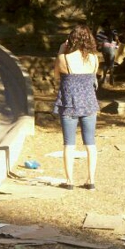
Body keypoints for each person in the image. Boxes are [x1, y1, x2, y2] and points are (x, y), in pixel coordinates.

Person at [53, 24, 100, 191]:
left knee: (69, 144)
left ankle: (69, 181)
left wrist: (61, 50)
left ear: (71, 39)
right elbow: (93, 78)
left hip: (69, 105)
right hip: (89, 104)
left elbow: (56, 75)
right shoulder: (94, 59)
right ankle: (91, 180)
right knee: (90, 143)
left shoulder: (63, 59)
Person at [96, 20, 120, 86]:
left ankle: (104, 78)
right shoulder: (114, 31)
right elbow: (117, 39)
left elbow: (98, 42)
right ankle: (112, 78)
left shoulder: (100, 33)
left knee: (106, 63)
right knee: (111, 63)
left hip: (105, 48)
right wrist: (116, 46)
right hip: (112, 47)